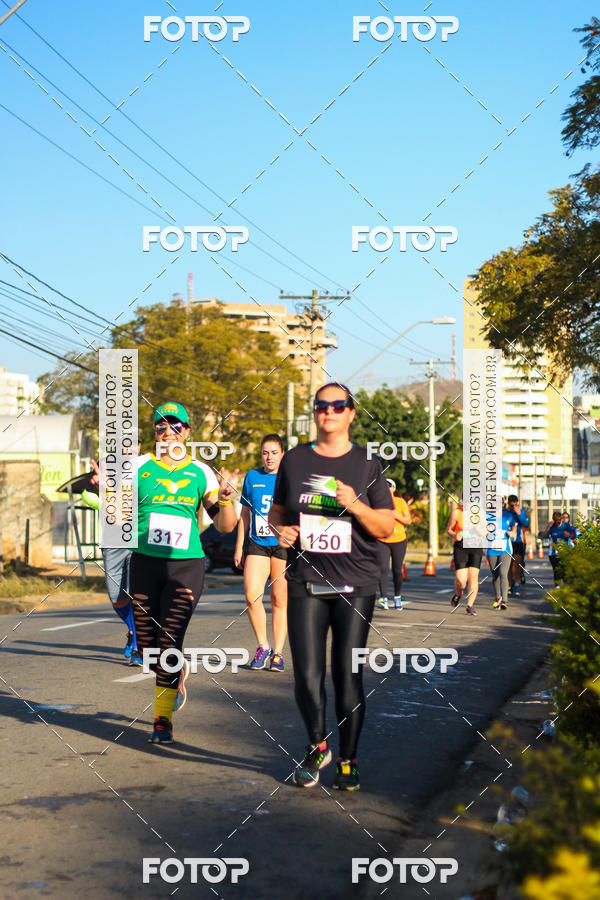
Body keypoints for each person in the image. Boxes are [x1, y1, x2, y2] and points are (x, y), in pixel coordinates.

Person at [269, 382, 395, 791]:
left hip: (356, 581)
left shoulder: (368, 463)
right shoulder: (294, 460)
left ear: (350, 414)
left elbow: (386, 526)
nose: (329, 412)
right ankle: (317, 745)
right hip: (307, 578)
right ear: (315, 412)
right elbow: (277, 513)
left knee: (347, 675)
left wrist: (355, 503)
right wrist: (281, 531)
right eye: (321, 406)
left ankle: (348, 758)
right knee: (306, 675)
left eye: (337, 406)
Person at [129, 402, 238, 744]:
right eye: (161, 426)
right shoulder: (137, 467)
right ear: (154, 432)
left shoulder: (201, 472)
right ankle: (176, 670)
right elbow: (116, 518)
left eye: (176, 426)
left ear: (187, 432)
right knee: (148, 650)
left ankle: (162, 721)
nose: (168, 431)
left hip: (186, 565)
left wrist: (225, 500)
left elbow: (224, 525)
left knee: (169, 639)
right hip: (145, 563)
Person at [234, 434, 288, 671]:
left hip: (283, 545)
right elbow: (244, 514)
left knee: (279, 598)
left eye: (274, 452)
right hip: (256, 543)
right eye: (265, 453)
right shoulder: (252, 476)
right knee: (251, 595)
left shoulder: (290, 477)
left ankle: (278, 653)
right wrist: (239, 546)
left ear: (282, 454)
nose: (269, 457)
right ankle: (263, 645)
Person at [81, 453, 141, 664]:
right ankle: (133, 631)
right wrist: (101, 489)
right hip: (113, 541)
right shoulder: (103, 473)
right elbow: (96, 501)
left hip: (138, 540)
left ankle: (138, 644)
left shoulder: (145, 471)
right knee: (117, 596)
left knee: (137, 592)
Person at [375, 479, 411, 610]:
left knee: (397, 570)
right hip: (382, 539)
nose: (386, 488)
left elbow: (408, 520)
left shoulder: (400, 502)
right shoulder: (377, 502)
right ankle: (383, 598)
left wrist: (395, 515)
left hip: (399, 540)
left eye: (389, 486)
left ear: (394, 489)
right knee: (383, 568)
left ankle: (397, 597)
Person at [447, 502, 483, 615]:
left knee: (473, 577)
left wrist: (479, 530)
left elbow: (486, 531)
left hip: (476, 547)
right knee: (461, 580)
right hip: (461, 547)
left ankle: (470, 605)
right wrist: (455, 535)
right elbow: (449, 529)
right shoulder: (456, 513)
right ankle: (458, 593)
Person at [487, 506, 517, 611]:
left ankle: (505, 600)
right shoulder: (488, 516)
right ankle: (497, 598)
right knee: (495, 575)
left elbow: (514, 527)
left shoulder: (508, 515)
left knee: (503, 573)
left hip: (505, 549)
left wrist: (512, 533)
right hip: (492, 549)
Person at [543, 511, 576, 586]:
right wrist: (548, 527)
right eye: (556, 522)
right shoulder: (552, 526)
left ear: (561, 519)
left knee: (564, 570)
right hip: (553, 553)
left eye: (559, 522)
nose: (557, 524)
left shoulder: (566, 525)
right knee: (556, 570)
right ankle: (557, 586)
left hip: (564, 552)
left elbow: (574, 535)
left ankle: (565, 585)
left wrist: (569, 535)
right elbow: (544, 536)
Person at [507, 495, 530, 598]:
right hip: (507, 541)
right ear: (508, 504)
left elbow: (526, 524)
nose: (514, 507)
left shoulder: (521, 512)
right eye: (512, 505)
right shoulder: (505, 513)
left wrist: (519, 513)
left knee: (518, 562)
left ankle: (516, 584)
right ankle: (509, 584)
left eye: (515, 505)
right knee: (509, 564)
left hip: (518, 541)